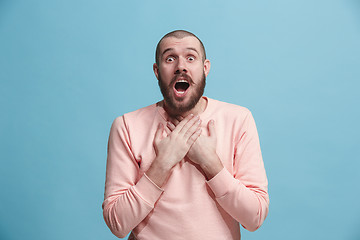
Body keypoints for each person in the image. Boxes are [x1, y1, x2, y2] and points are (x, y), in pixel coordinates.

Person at [102, 30, 269, 240]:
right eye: (170, 58)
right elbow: (118, 224)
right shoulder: (126, 126)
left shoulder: (239, 119)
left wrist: (210, 162)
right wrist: (162, 164)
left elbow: (254, 218)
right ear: (156, 70)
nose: (181, 66)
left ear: (205, 68)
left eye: (191, 58)